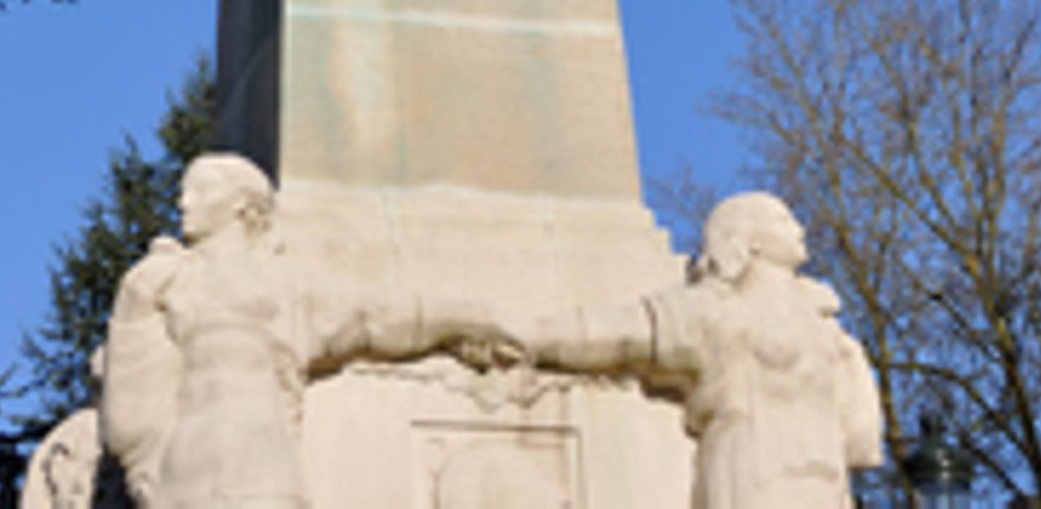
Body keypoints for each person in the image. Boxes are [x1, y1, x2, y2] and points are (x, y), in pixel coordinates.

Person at [100, 152, 511, 509]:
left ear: (242, 204)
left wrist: (466, 319)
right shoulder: (163, 281)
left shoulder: (285, 284)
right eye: (184, 191)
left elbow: (377, 315)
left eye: (202, 191)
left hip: (263, 473)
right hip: (184, 471)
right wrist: (133, 303)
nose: (184, 203)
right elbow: (128, 415)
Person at [523, 192, 882, 509]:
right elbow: (623, 333)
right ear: (750, 240)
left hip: (826, 483)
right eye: (783, 220)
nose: (799, 229)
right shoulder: (719, 309)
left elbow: (858, 437)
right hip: (757, 476)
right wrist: (529, 335)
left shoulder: (823, 325)